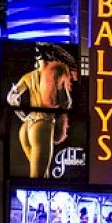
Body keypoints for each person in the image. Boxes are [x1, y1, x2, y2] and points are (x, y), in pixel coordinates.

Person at [7, 44, 76, 178]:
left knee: (43, 175)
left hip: (26, 128)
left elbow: (11, 97)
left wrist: (22, 117)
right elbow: (66, 103)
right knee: (38, 177)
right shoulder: (57, 72)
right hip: (43, 125)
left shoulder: (28, 77)